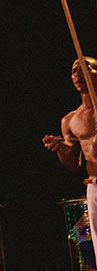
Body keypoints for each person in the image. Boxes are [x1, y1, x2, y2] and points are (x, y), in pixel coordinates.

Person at [42, 56, 97, 252]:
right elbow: (73, 164)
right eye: (74, 70)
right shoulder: (71, 120)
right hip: (94, 184)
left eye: (85, 68)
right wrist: (60, 149)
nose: (78, 74)